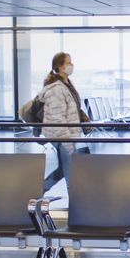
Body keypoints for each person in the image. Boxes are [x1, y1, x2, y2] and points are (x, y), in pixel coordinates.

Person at [40, 52, 89, 192]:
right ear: (60, 67)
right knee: (70, 173)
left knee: (64, 168)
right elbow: (57, 118)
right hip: (62, 136)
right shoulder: (56, 89)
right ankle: (75, 205)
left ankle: (39, 191)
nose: (71, 65)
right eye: (68, 63)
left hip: (70, 134)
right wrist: (67, 141)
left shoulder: (67, 85)